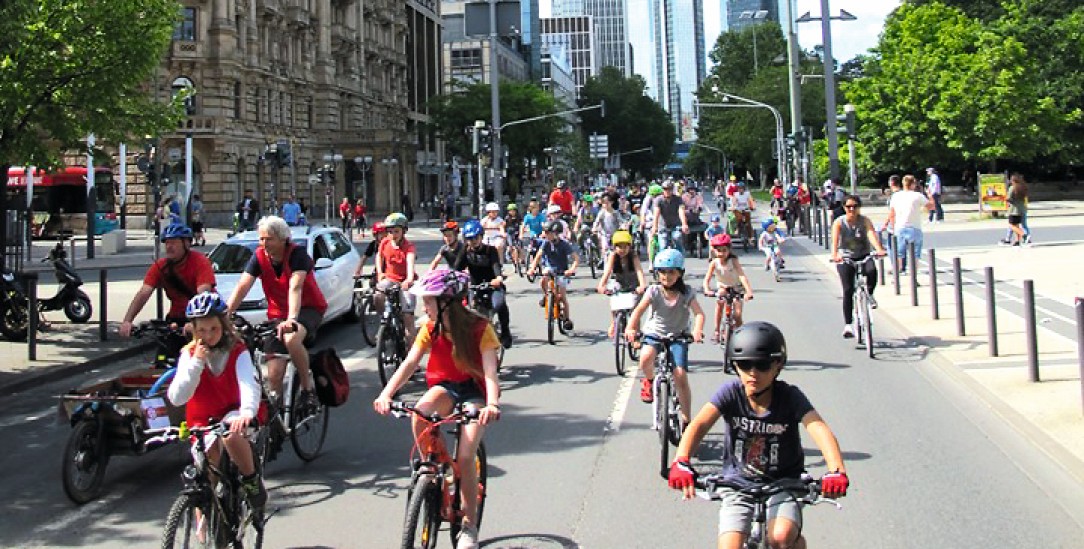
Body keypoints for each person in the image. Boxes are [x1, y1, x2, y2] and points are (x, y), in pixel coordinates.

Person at [667, 322, 850, 549]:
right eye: (745, 365)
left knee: (781, 538)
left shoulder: (790, 396)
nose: (753, 373)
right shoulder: (730, 393)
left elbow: (818, 428)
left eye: (762, 365)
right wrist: (681, 460)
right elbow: (700, 424)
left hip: (784, 483)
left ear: (778, 365)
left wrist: (836, 471)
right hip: (737, 484)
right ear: (735, 366)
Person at [373, 269, 502, 549]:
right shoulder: (430, 328)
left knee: (467, 456)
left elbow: (491, 372)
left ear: (447, 302)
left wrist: (491, 404)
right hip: (446, 385)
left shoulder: (480, 329)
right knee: (421, 412)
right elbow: (409, 364)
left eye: (429, 301)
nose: (424, 307)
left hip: (474, 390)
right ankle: (432, 470)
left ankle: (468, 525)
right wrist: (386, 394)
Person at [168, 291, 267, 510]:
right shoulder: (190, 354)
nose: (209, 335)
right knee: (205, 473)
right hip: (202, 420)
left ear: (223, 326)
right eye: (202, 330)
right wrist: (196, 363)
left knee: (231, 436)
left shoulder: (237, 350)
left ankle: (251, 481)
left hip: (234, 413)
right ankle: (205, 520)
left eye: (214, 329)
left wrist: (247, 413)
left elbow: (248, 384)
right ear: (194, 330)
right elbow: (177, 398)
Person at [226, 215, 327, 404]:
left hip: (307, 309)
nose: (264, 243)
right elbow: (243, 285)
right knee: (274, 373)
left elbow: (295, 287)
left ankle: (307, 387)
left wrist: (291, 319)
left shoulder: (298, 255)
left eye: (269, 239)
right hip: (277, 313)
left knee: (291, 338)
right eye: (261, 238)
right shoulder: (258, 256)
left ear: (283, 239)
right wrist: (226, 314)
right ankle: (278, 419)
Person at [625, 248, 705, 423]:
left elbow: (699, 314)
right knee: (645, 358)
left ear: (680, 273)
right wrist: (631, 328)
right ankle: (649, 380)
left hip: (678, 335)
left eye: (671, 272)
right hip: (655, 333)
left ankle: (686, 418)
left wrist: (697, 330)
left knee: (680, 374)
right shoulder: (654, 291)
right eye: (662, 272)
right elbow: (638, 311)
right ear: (656, 273)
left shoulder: (686, 293)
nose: (666, 276)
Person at [120, 224, 216, 360]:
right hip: (176, 319)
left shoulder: (200, 262)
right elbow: (144, 293)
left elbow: (203, 295)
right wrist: (127, 321)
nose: (169, 247)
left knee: (201, 360)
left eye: (174, 243)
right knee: (163, 358)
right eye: (167, 243)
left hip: (205, 318)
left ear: (187, 244)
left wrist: (196, 322)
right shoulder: (161, 266)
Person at [831, 196, 887, 338]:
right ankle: (848, 325)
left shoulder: (864, 220)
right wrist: (835, 255)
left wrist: (879, 249)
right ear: (844, 207)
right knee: (848, 289)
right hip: (846, 257)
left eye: (855, 206)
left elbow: (871, 234)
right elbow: (835, 240)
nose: (852, 209)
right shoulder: (839, 222)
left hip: (864, 255)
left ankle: (870, 294)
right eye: (848, 206)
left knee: (872, 270)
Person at [457, 220, 514, 348]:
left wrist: (498, 277)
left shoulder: (490, 250)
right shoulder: (465, 251)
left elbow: (496, 265)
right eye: (469, 239)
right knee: (470, 310)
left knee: (499, 304)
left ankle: (505, 331)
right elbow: (457, 269)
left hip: (492, 286)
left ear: (481, 236)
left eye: (475, 238)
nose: (473, 241)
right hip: (474, 287)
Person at [527, 221, 580, 332]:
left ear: (556, 233)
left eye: (548, 232)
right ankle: (546, 295)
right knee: (543, 279)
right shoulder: (546, 243)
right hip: (550, 268)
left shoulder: (564, 244)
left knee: (562, 296)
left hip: (562, 271)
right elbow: (538, 256)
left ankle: (566, 318)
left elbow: (576, 259)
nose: (546, 234)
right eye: (546, 232)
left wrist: (571, 269)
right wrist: (532, 268)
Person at [702, 234, 754, 342]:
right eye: (718, 250)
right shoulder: (714, 263)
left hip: (736, 287)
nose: (721, 253)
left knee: (737, 315)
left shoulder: (733, 261)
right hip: (723, 286)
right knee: (720, 302)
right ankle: (716, 330)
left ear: (729, 250)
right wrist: (707, 289)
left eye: (724, 250)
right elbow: (707, 279)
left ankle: (739, 332)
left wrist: (748, 291)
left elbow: (742, 276)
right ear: (714, 251)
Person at [375, 212, 419, 342]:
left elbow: (410, 262)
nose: (393, 235)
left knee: (408, 319)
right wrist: (380, 273)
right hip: (390, 279)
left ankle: (413, 357)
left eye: (396, 231)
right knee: (378, 295)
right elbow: (379, 256)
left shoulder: (409, 247)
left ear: (403, 231)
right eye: (390, 231)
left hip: (405, 282)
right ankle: (384, 322)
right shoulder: (385, 242)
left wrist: (409, 279)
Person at [596, 230, 647, 337]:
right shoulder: (613, 256)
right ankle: (613, 323)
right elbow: (607, 272)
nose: (622, 250)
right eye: (619, 247)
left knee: (635, 311)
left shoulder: (633, 256)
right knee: (614, 301)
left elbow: (639, 271)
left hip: (633, 285)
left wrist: (642, 285)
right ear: (614, 247)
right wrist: (601, 285)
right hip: (620, 283)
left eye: (625, 247)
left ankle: (635, 332)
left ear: (630, 247)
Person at [882, 174, 932, 275]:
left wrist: (893, 226)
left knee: (899, 254)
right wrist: (930, 195)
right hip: (915, 227)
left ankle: (896, 277)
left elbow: (892, 213)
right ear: (913, 184)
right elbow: (931, 206)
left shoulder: (896, 196)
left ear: (903, 184)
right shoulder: (918, 196)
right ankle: (914, 277)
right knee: (915, 255)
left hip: (900, 227)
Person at [652, 180, 689, 253]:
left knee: (677, 238)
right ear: (663, 190)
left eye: (669, 189)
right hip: (663, 225)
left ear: (672, 190)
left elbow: (681, 211)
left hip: (675, 225)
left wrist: (684, 224)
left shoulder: (678, 199)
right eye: (665, 189)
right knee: (663, 245)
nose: (667, 191)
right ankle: (662, 263)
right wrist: (654, 226)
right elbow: (656, 213)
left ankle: (680, 258)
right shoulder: (659, 199)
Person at [593, 193, 624, 258]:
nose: (605, 205)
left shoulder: (615, 213)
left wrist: (623, 227)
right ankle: (604, 261)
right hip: (604, 234)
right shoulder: (602, 212)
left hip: (615, 234)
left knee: (617, 250)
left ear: (611, 202)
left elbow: (621, 222)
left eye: (607, 203)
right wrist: (594, 228)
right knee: (605, 248)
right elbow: (596, 221)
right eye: (603, 203)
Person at [1003, 173, 1030, 246]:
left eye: (1011, 180)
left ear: (1013, 180)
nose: (1010, 181)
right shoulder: (1023, 187)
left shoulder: (1013, 188)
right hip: (1022, 209)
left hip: (1014, 210)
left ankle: (1024, 235)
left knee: (1012, 225)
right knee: (1017, 224)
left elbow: (1008, 198)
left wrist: (1005, 199)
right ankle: (1017, 241)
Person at [504, 203, 523, 267]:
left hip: (517, 233)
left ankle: (521, 258)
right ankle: (508, 254)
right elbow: (504, 226)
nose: (512, 212)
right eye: (510, 211)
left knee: (519, 246)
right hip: (509, 233)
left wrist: (522, 232)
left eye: (513, 211)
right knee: (510, 245)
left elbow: (521, 225)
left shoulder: (519, 217)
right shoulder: (507, 218)